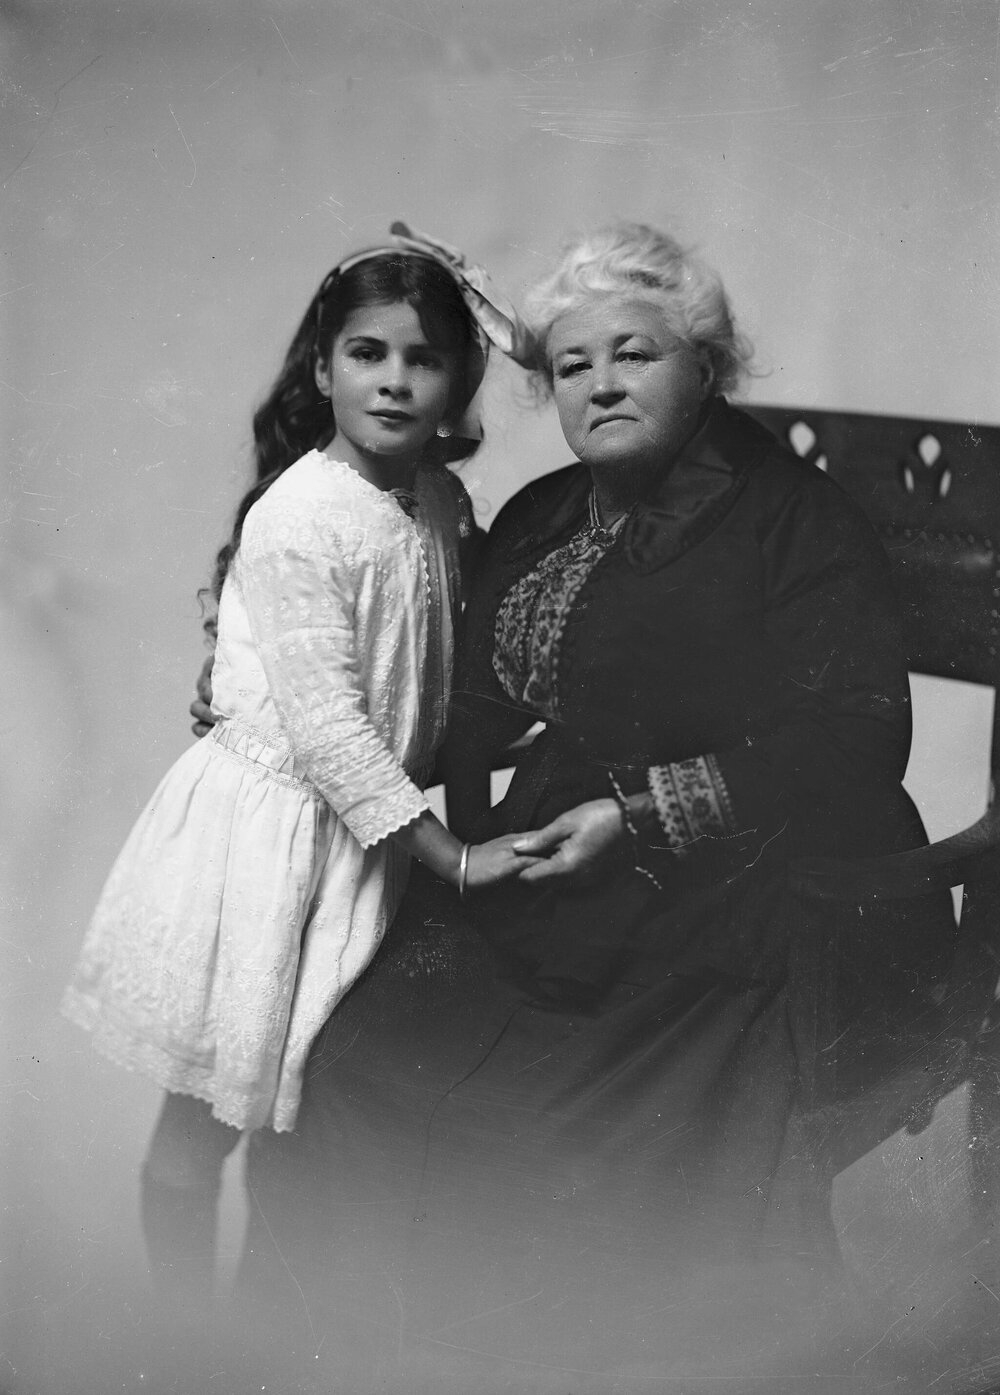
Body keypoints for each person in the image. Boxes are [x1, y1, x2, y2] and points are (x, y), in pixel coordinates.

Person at [194, 223, 957, 1389]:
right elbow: (468, 707)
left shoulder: (795, 519)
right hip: (558, 870)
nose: (599, 384)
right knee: (350, 1060)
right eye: (570, 365)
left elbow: (857, 738)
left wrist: (640, 813)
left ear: (707, 366)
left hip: (769, 885)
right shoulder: (549, 513)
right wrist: (266, 715)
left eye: (633, 355)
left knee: (557, 1122)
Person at [61, 226, 539, 1298]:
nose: (395, 380)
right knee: (209, 1120)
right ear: (323, 370)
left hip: (360, 835)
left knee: (310, 1115)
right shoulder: (299, 518)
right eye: (368, 353)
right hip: (268, 845)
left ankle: (276, 1319)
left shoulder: (438, 502)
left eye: (424, 359)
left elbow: (434, 673)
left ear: (457, 381)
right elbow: (328, 731)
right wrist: (456, 859)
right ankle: (186, 1342)